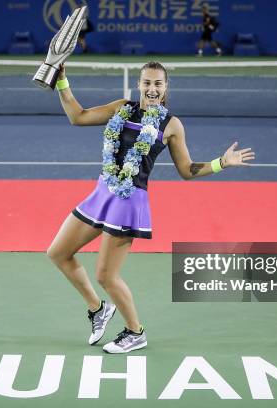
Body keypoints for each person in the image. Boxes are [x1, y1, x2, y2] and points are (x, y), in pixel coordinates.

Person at [46, 61, 255, 353]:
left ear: (166, 87)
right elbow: (78, 117)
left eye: (158, 84)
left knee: (106, 274)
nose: (152, 89)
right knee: (58, 252)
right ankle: (98, 309)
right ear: (139, 84)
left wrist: (222, 163)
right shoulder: (122, 108)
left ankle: (135, 332)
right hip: (102, 193)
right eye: (147, 83)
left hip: (129, 202)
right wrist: (62, 83)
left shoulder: (171, 125)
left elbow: (187, 169)